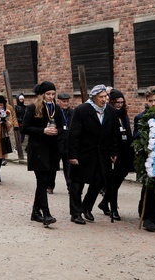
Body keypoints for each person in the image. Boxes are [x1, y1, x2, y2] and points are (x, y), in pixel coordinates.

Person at [68, 84, 118, 225]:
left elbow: (113, 134)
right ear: (94, 97)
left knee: (99, 181)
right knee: (77, 184)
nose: (104, 100)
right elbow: (73, 134)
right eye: (101, 97)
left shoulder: (111, 111)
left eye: (106, 96)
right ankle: (76, 213)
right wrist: (73, 155)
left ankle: (86, 207)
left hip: (101, 154)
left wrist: (114, 151)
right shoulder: (82, 110)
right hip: (83, 153)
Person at [22, 81, 63, 226]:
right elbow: (25, 128)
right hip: (38, 149)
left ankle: (35, 212)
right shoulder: (33, 108)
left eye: (53, 94)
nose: (51, 97)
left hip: (51, 150)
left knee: (44, 181)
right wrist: (43, 131)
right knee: (42, 181)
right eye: (48, 94)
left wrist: (57, 131)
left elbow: (62, 126)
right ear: (42, 95)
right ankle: (46, 213)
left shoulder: (56, 108)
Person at [134, 86, 155, 232]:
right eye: (150, 101)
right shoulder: (141, 118)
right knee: (149, 187)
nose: (153, 104)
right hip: (148, 158)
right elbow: (136, 137)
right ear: (146, 101)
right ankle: (147, 216)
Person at [97, 89, 133, 221]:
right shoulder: (109, 115)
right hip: (113, 152)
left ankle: (104, 202)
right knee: (112, 182)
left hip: (124, 152)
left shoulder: (124, 115)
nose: (119, 105)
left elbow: (128, 133)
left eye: (121, 102)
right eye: (117, 102)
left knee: (117, 181)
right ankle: (113, 207)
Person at [46, 92, 72, 194]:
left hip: (68, 143)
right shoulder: (55, 112)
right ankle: (50, 185)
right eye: (63, 101)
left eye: (67, 101)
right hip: (56, 143)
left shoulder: (72, 113)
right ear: (58, 101)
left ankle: (70, 186)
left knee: (68, 167)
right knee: (53, 167)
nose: (65, 103)